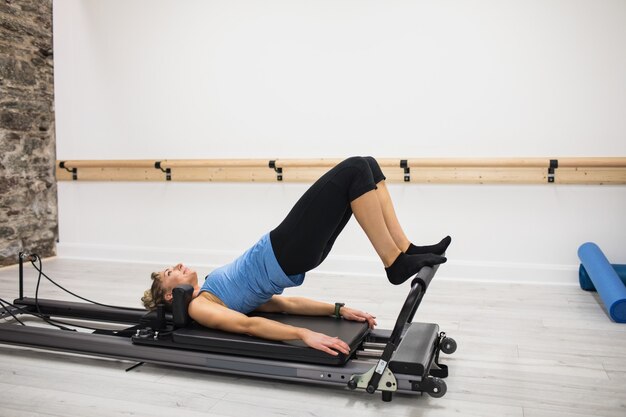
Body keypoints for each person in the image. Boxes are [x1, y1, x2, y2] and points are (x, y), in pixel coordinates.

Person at [142, 156, 450, 356]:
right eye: (172, 273)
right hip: (284, 250)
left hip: (294, 255)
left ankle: (404, 250)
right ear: (171, 296)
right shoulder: (200, 307)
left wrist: (337, 310)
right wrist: (304, 334)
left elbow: (283, 304)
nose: (179, 266)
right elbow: (249, 326)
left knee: (368, 167)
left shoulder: (214, 291)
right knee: (355, 169)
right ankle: (394, 262)